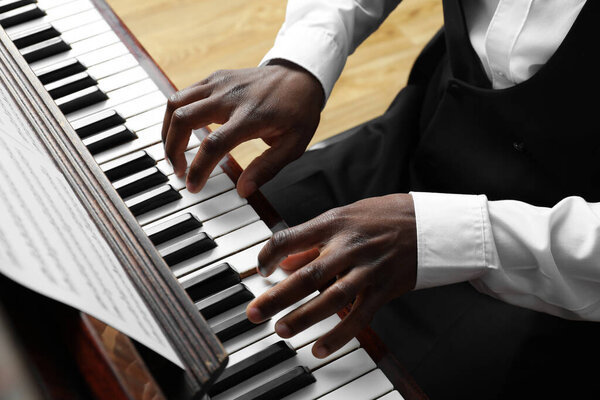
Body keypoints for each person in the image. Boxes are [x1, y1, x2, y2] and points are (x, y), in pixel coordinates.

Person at [161, 0, 600, 398]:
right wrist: (302, 60)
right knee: (208, 249)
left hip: (560, 268)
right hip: (428, 133)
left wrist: (455, 236)